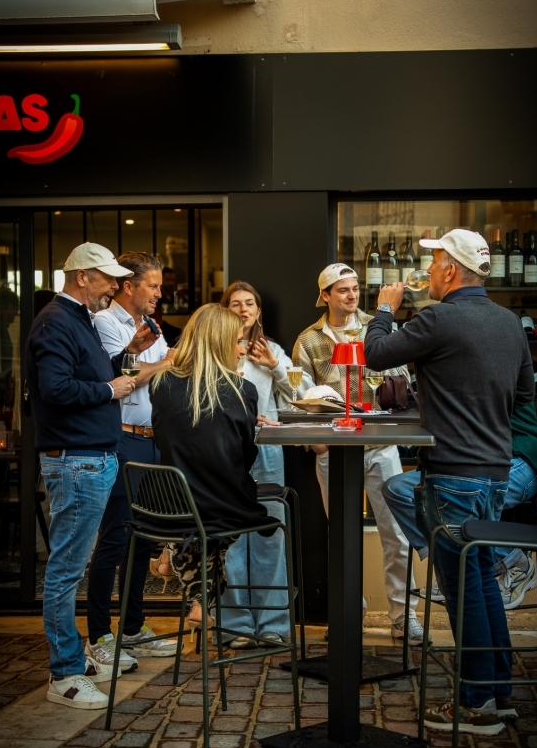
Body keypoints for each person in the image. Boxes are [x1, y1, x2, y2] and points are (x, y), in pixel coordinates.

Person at [364, 228, 534, 735]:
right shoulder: (508, 322)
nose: (430, 270)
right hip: (495, 472)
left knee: (464, 591)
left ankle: (477, 704)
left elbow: (376, 353)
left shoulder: (439, 318)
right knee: (480, 582)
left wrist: (385, 306)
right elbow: (524, 396)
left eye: (435, 260)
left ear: (451, 270)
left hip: (453, 473)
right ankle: (498, 693)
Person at [25, 243, 159, 710]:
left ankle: (72, 662)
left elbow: (87, 373)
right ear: (82, 276)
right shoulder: (56, 321)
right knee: (66, 571)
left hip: (89, 457)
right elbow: (55, 389)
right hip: (77, 459)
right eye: (108, 277)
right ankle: (64, 673)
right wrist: (109, 388)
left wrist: (127, 354)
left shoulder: (77, 318)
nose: (115, 285)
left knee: (71, 567)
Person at [293, 263, 426, 643]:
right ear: (324, 296)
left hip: (381, 446)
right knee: (341, 536)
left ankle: (403, 617)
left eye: (354, 288)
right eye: (342, 290)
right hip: (334, 450)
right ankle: (348, 615)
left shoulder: (377, 329)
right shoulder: (308, 340)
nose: (352, 295)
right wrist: (315, 442)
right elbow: (300, 394)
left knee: (397, 535)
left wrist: (382, 372)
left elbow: (402, 376)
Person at [86, 252, 180, 672]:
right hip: (124, 439)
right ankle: (99, 636)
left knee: (143, 540)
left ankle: (132, 628)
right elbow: (123, 377)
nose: (159, 293)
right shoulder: (105, 323)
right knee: (115, 539)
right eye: (153, 286)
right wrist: (165, 361)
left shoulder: (153, 327)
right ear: (129, 286)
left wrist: (166, 363)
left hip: (154, 441)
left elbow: (157, 374)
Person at [150, 304, 269, 627]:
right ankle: (202, 599)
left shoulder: (161, 384)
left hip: (169, 506)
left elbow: (165, 440)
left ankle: (195, 592)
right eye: (238, 341)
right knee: (222, 513)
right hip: (223, 505)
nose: (242, 349)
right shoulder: (242, 390)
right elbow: (246, 456)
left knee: (195, 519)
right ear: (220, 343)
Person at [383, 400, 537, 608]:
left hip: (518, 460)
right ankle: (451, 566)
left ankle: (509, 563)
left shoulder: (487, 381)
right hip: (473, 464)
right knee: (398, 489)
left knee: (455, 497)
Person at [218, 281, 311, 648]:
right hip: (225, 451)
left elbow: (301, 397)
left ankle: (272, 623)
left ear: (258, 311)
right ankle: (236, 625)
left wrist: (274, 367)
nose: (243, 309)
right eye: (235, 303)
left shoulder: (272, 350)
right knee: (231, 539)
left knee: (270, 535)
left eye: (249, 303)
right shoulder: (215, 349)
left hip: (266, 449)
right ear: (225, 310)